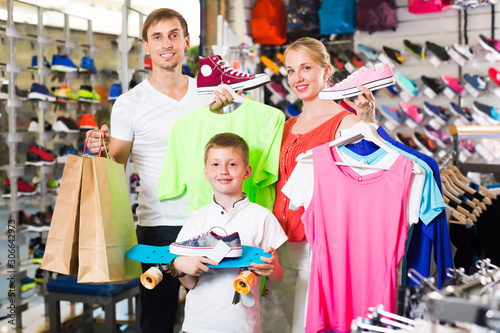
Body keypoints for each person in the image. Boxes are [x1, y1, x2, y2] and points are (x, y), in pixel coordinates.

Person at [85, 8, 237, 333]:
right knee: (157, 320)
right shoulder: (129, 103)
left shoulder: (211, 95)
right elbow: (117, 166)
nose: (166, 44)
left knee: (220, 315)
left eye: (173, 35)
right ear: (146, 46)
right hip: (157, 226)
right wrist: (100, 150)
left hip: (210, 221)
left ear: (186, 42)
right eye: (157, 37)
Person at [271, 37, 376, 332]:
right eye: (290, 70)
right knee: (281, 325)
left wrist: (368, 119)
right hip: (279, 243)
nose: (297, 78)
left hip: (316, 246)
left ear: (326, 71)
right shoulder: (286, 125)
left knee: (309, 326)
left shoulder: (346, 124)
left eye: (306, 68)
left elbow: (370, 180)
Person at [171, 132, 288, 333]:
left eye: (232, 164)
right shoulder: (196, 219)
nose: (223, 171)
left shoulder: (263, 217)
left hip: (243, 327)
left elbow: (277, 277)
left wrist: (272, 266)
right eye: (215, 165)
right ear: (206, 172)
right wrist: (179, 266)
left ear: (247, 171)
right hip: (198, 326)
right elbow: (190, 283)